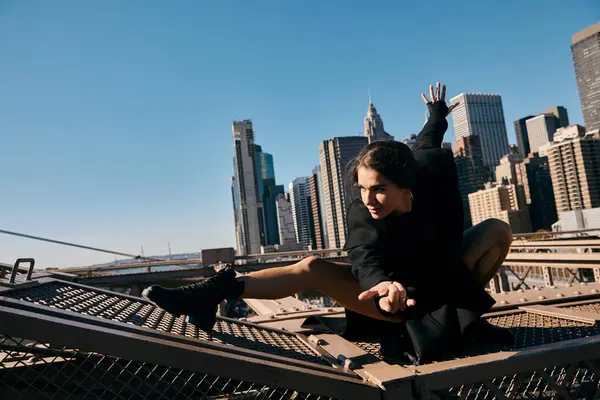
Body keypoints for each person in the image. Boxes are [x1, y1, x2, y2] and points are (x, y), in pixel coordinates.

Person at [143, 82, 514, 361]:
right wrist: (383, 286)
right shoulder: (362, 213)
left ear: (408, 186)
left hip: (441, 282)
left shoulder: (431, 172)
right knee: (311, 267)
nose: (368, 199)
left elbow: (428, 141)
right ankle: (209, 294)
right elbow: (365, 258)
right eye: (362, 188)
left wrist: (437, 115)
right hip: (391, 300)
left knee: (496, 230)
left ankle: (463, 317)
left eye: (379, 189)